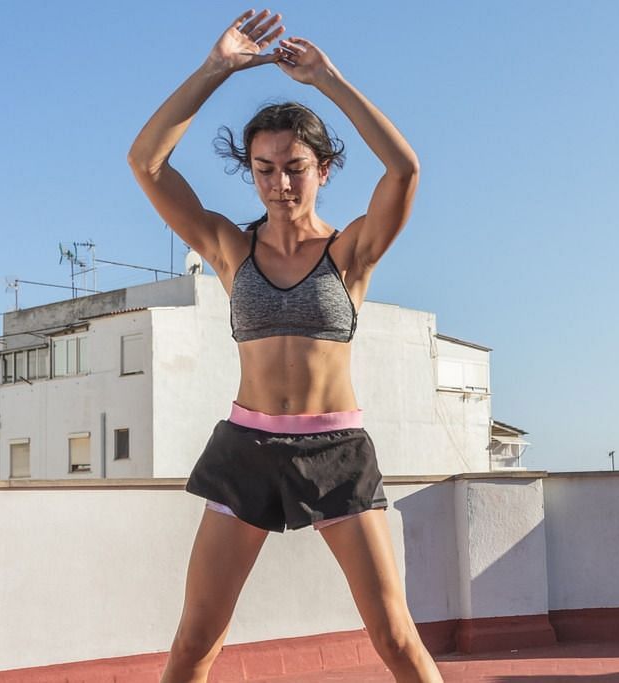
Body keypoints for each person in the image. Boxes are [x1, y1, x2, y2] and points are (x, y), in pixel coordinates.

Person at [127, 9, 441, 683]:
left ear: (323, 168)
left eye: (295, 167)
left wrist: (329, 79)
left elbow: (405, 169)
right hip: (246, 449)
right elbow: (145, 162)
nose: (280, 184)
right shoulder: (229, 247)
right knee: (194, 642)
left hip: (336, 452)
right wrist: (215, 68)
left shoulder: (351, 251)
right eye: (264, 169)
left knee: (394, 635)